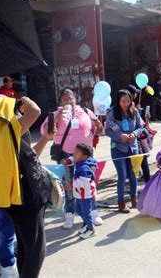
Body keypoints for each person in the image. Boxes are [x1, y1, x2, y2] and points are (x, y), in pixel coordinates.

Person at [0, 96, 52, 278]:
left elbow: (29, 157)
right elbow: (35, 110)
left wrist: (45, 138)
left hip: (12, 198)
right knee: (36, 249)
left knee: (24, 244)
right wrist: (23, 99)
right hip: (27, 195)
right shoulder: (8, 131)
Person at [40, 88, 103, 229]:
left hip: (86, 156)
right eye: (65, 98)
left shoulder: (86, 112)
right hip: (66, 155)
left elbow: (97, 130)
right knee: (69, 186)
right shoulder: (55, 114)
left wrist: (99, 126)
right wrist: (56, 117)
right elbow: (45, 132)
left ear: (76, 99)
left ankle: (93, 212)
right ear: (60, 101)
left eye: (71, 98)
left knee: (88, 184)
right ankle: (70, 215)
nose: (69, 100)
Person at [105, 90, 145, 213]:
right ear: (118, 101)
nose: (126, 103)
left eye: (128, 100)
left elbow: (141, 127)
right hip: (118, 148)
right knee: (122, 175)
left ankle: (134, 199)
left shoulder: (135, 112)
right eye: (123, 101)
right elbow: (107, 131)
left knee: (133, 175)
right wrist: (119, 136)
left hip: (132, 148)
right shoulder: (112, 114)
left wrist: (134, 133)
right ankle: (121, 203)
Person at [71, 143, 98, 239]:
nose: (74, 153)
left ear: (84, 156)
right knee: (79, 210)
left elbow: (84, 182)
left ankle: (91, 229)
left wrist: (71, 184)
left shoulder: (84, 168)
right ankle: (86, 224)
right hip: (79, 194)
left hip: (86, 195)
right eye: (74, 151)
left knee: (86, 212)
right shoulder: (80, 161)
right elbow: (72, 158)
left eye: (77, 152)